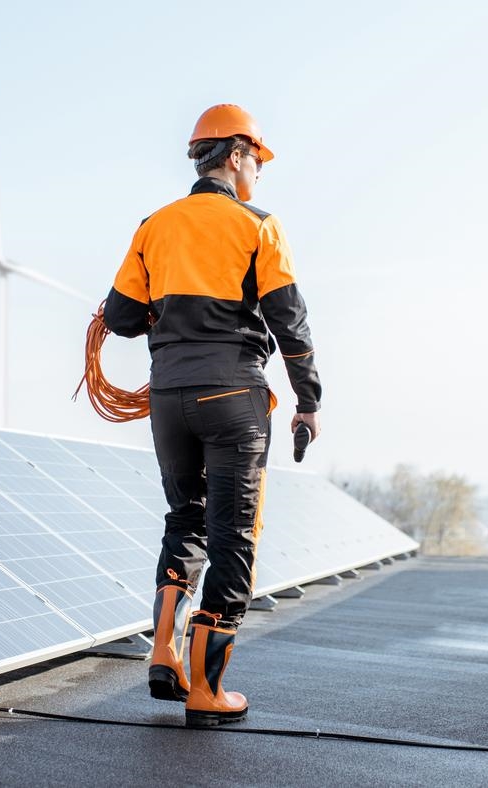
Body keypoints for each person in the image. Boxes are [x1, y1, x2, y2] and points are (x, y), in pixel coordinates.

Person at [102, 103, 322, 727]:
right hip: (233, 398)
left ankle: (164, 651)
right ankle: (208, 689)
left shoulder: (154, 225)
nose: (259, 172)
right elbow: (289, 321)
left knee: (185, 519)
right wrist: (309, 400)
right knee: (234, 535)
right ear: (235, 155)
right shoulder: (259, 226)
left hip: (168, 397)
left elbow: (120, 318)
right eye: (257, 160)